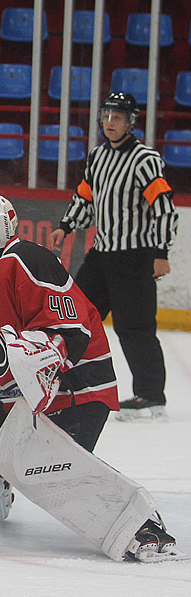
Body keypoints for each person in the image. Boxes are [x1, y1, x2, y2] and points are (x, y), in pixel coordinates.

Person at [0, 191, 185, 563]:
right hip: (20, 394)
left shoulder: (25, 260)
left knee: (37, 461)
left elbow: (71, 331)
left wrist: (37, 359)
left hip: (76, 386)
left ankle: (140, 526)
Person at [48, 92, 178, 421]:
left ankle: (151, 396)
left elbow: (164, 208)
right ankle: (69, 383)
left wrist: (160, 251)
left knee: (134, 328)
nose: (109, 123)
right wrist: (66, 225)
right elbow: (85, 197)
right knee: (76, 317)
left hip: (135, 256)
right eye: (106, 116)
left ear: (130, 122)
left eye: (117, 117)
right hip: (102, 254)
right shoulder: (98, 156)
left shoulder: (144, 159)